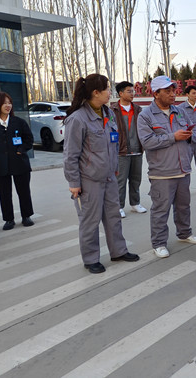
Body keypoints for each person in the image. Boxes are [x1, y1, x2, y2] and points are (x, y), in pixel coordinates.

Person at [63, 74, 140, 273]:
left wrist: (114, 167)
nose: (110, 93)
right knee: (90, 221)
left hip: (109, 177)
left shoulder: (108, 114)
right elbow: (71, 155)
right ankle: (90, 258)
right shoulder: (78, 119)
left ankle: (118, 251)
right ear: (95, 93)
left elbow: (113, 144)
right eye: (107, 89)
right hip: (89, 181)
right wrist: (74, 182)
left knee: (113, 216)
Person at [137, 75, 196, 259]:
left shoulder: (179, 111)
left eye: (174, 90)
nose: (173, 94)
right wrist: (174, 136)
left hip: (183, 169)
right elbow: (148, 142)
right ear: (156, 93)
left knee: (183, 206)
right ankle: (158, 243)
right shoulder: (146, 116)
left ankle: (184, 233)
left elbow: (190, 134)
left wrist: (189, 134)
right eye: (168, 91)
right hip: (162, 172)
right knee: (160, 209)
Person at [0, 92, 35, 231]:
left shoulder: (19, 122)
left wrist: (21, 150)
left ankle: (26, 216)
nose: (8, 105)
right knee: (4, 193)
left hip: (19, 161)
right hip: (0, 164)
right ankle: (9, 219)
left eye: (9, 102)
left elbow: (29, 139)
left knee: (23, 191)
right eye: (4, 103)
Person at [109, 81, 147, 219]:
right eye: (129, 91)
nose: (132, 94)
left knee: (136, 179)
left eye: (133, 91)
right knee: (120, 181)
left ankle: (135, 203)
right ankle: (118, 206)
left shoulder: (138, 110)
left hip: (137, 149)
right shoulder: (112, 110)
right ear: (120, 93)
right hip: (121, 151)